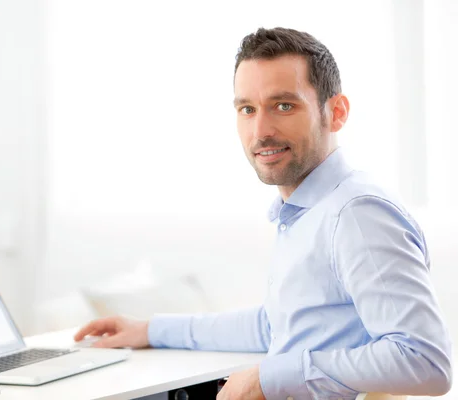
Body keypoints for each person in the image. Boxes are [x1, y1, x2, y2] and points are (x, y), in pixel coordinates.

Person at [74, 27, 452, 399]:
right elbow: (274, 325)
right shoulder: (307, 211)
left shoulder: (355, 214)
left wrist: (267, 379)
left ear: (336, 112)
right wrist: (150, 330)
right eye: (247, 109)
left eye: (283, 105)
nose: (261, 131)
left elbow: (426, 363)